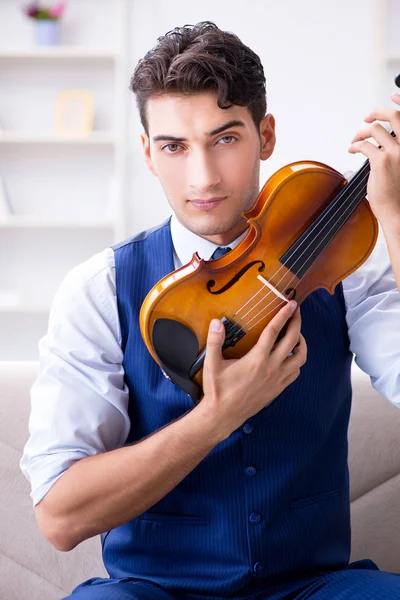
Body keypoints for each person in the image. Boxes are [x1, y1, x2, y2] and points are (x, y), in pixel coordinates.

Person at [21, 21, 400, 600]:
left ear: (265, 136)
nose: (203, 178)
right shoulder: (99, 288)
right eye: (174, 146)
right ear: (148, 153)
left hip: (312, 588)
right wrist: (217, 416)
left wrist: (393, 216)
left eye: (226, 139)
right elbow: (60, 520)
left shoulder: (342, 263)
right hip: (153, 591)